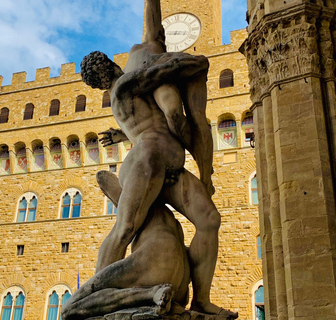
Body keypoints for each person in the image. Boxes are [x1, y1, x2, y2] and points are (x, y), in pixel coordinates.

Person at [80, 50, 236, 317]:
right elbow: (162, 71)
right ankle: (92, 299)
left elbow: (147, 119)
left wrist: (120, 134)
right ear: (109, 65)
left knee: (209, 220)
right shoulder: (126, 85)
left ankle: (201, 300)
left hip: (169, 166)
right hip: (147, 160)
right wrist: (197, 62)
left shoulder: (129, 95)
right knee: (126, 227)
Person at [60, 171, 191, 320]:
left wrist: (100, 283)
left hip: (156, 261)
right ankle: (155, 294)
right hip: (181, 279)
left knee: (68, 309)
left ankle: (151, 293)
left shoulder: (139, 201)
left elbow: (103, 178)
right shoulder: (171, 219)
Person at [125, 0, 214, 197]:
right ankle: (198, 164)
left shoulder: (151, 43)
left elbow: (152, 12)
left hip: (182, 70)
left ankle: (206, 176)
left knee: (192, 117)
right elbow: (144, 123)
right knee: (173, 115)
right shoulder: (130, 68)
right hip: (157, 79)